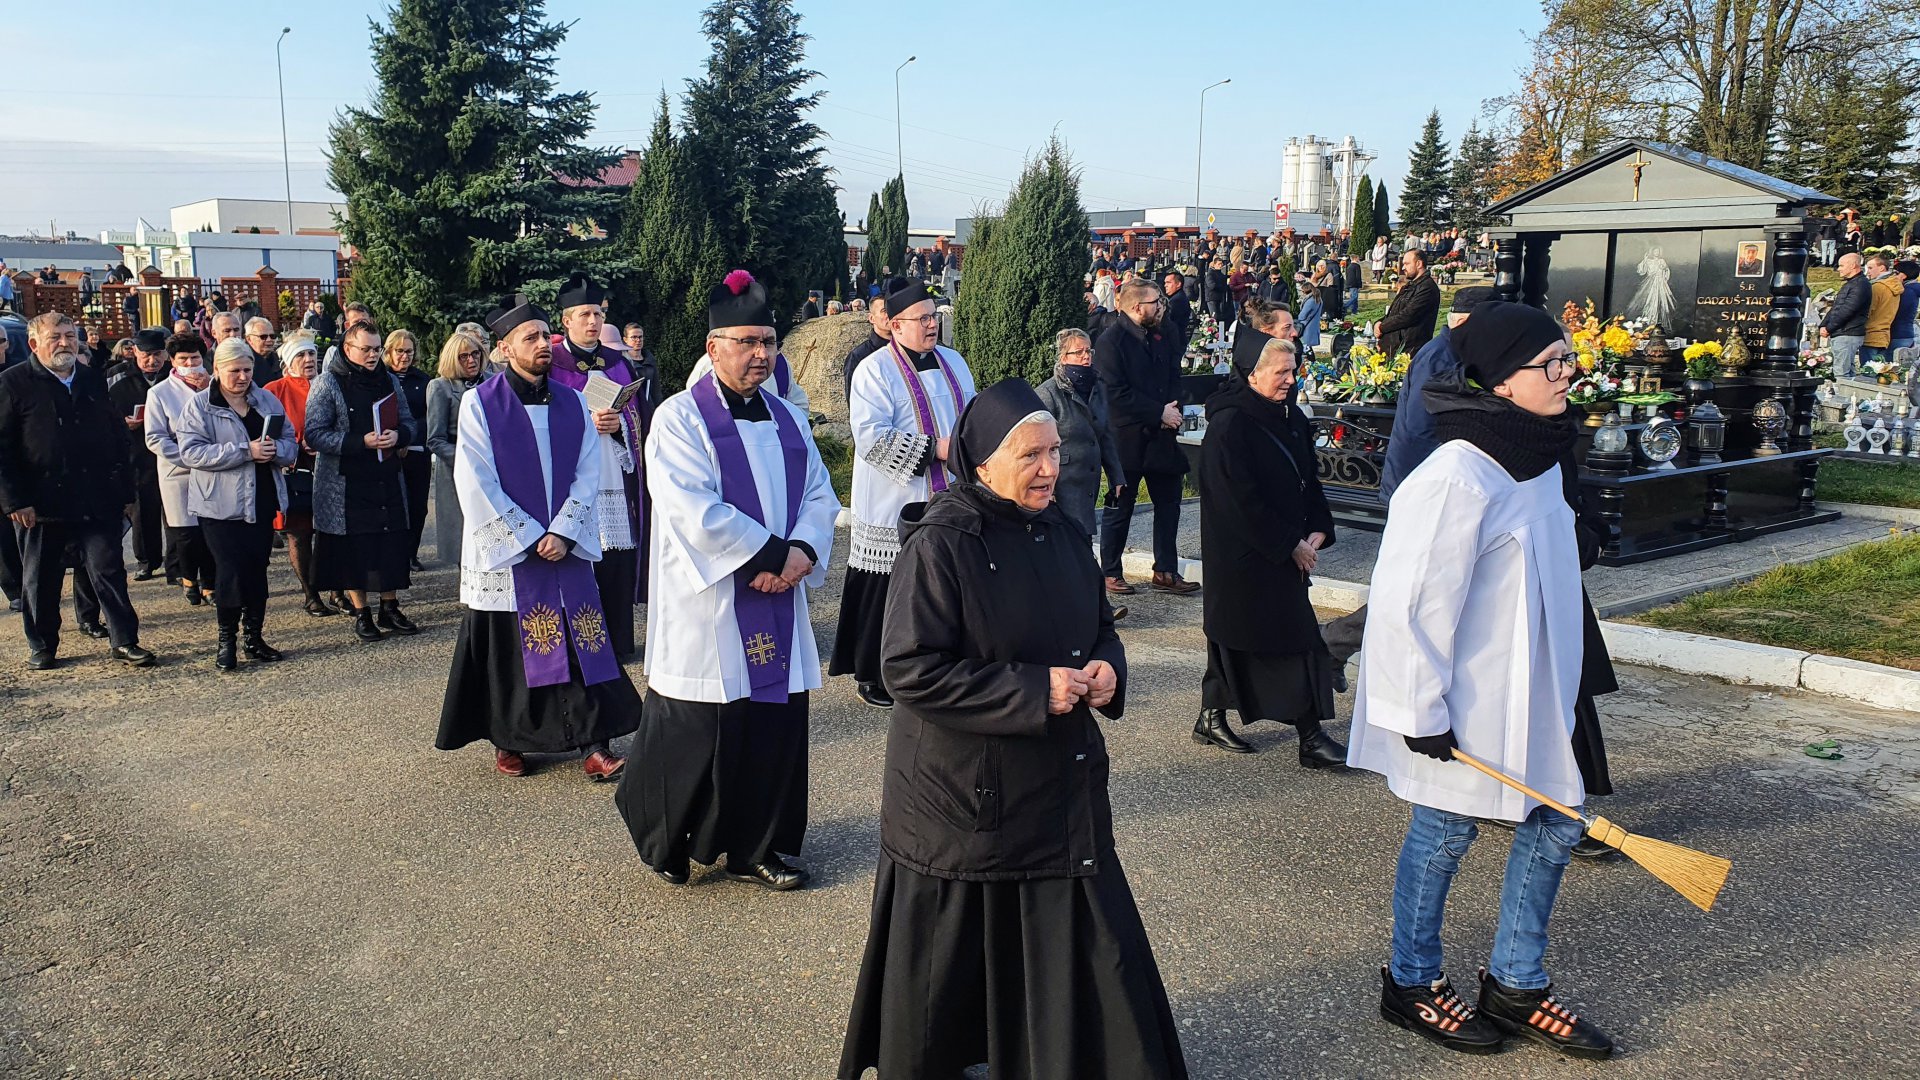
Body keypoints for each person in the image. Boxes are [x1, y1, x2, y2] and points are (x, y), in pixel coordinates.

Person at [837, 378, 1186, 1080]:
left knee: (1088, 936)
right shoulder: (942, 544)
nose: (1051, 468)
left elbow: (1097, 627)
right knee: (954, 969)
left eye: (1055, 451)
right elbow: (908, 668)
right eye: (1032, 455)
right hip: (962, 799)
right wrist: (1033, 690)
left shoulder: (1064, 530)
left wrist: (1108, 670)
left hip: (1057, 784)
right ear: (984, 463)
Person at [1347, 301, 1614, 1060]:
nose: (1568, 374)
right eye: (1550, 363)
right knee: (1446, 828)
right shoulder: (1457, 474)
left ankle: (1515, 984)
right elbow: (1410, 601)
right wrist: (1418, 710)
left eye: (1569, 358)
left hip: (1538, 686)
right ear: (1500, 382)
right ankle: (1411, 981)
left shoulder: (1538, 451)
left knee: (1556, 820)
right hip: (1466, 698)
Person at [616, 271, 840, 888]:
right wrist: (770, 557)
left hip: (779, 592)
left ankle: (756, 846)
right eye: (747, 342)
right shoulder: (679, 419)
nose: (761, 354)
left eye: (769, 341)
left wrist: (801, 553)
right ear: (713, 347)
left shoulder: (789, 419)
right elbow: (692, 508)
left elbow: (820, 493)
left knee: (770, 726)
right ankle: (666, 836)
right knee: (695, 729)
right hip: (707, 603)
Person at [434, 293, 639, 782]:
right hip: (511, 554)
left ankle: (594, 744)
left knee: (580, 640)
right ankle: (510, 739)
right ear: (504, 349)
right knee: (510, 647)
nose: (543, 344)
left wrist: (564, 531)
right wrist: (527, 537)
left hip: (564, 546)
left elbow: (589, 471)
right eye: (530, 337)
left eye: (546, 335)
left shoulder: (573, 401)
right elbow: (475, 479)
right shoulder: (480, 404)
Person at [1194, 336, 1344, 763]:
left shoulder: (1290, 416)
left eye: (1293, 371)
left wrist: (1318, 527)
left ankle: (1216, 717)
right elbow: (1237, 501)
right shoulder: (1229, 426)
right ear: (1252, 375)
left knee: (1287, 639)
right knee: (1269, 642)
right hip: (1245, 560)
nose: (1291, 380)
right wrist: (1288, 545)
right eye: (1281, 372)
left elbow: (1307, 478)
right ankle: (1310, 736)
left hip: (1282, 554)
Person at [833, 278, 977, 709]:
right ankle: (873, 674)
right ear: (895, 326)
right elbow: (871, 436)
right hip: (893, 494)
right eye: (922, 319)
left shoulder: (954, 361)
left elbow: (971, 414)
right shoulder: (874, 370)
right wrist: (937, 449)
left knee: (943, 584)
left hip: (950, 492)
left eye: (934, 316)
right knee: (888, 588)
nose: (932, 325)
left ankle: (940, 666)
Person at [0, 313, 156, 670]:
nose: (64, 343)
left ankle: (124, 640)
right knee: (41, 579)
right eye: (55, 337)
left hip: (96, 498)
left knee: (108, 570)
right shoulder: (13, 383)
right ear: (34, 343)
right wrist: (15, 500)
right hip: (41, 504)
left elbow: (116, 436)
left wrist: (125, 491)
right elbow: (2, 450)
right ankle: (43, 645)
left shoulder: (91, 379)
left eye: (70, 336)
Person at [547, 273, 658, 660]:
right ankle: (580, 646)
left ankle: (620, 642)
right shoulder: (552, 364)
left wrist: (620, 426)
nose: (593, 321)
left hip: (613, 471)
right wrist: (585, 422)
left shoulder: (618, 363)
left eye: (597, 313)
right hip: (574, 479)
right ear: (567, 321)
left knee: (616, 559)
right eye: (584, 314)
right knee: (579, 561)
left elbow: (639, 416)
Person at [176, 339, 297, 670]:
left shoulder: (266, 399)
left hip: (261, 498)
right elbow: (191, 452)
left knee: (256, 568)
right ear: (217, 369)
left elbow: (289, 440)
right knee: (230, 570)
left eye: (247, 370)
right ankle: (226, 640)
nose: (243, 377)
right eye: (235, 371)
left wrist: (277, 451)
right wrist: (245, 451)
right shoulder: (200, 406)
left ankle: (254, 638)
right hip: (219, 504)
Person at [305, 319, 420, 642]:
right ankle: (362, 612)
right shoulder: (328, 382)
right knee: (354, 547)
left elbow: (409, 421)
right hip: (346, 482)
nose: (373, 355)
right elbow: (314, 433)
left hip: (386, 476)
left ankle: (389, 606)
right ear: (347, 348)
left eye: (377, 349)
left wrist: (399, 435)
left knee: (390, 543)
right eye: (366, 349)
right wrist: (360, 442)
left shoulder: (388, 379)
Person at [1095, 280, 1199, 598]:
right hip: (1127, 439)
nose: (1161, 306)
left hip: (1162, 436)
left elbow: (1173, 375)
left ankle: (1165, 570)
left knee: (1169, 503)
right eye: (1156, 302)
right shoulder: (1111, 341)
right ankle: (1110, 571)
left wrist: (1174, 410)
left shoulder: (1163, 332)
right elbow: (1115, 394)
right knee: (1120, 506)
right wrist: (1158, 412)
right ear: (1137, 307)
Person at [1034, 327, 1128, 618]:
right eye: (1079, 352)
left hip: (1088, 480)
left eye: (1089, 351)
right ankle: (1096, 609)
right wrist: (1044, 486)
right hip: (1062, 482)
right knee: (1077, 547)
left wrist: (1117, 476)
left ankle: (1084, 608)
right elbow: (1037, 443)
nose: (1086, 357)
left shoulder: (1096, 387)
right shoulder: (1048, 393)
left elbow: (1104, 434)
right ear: (1063, 357)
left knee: (1078, 546)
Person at [147, 332, 218, 604]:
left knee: (210, 529)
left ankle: (210, 582)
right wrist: (188, 457)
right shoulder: (160, 393)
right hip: (178, 471)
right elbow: (155, 437)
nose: (190, 364)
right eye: (183, 359)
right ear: (172, 361)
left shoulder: (215, 386)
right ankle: (189, 578)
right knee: (186, 533)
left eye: (195, 358)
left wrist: (210, 387)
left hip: (213, 468)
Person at [263, 335, 331, 617]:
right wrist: (298, 443)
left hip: (330, 468)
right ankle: (310, 594)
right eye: (301, 355)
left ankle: (338, 590)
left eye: (312, 354)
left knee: (332, 533)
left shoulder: (329, 384)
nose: (308, 360)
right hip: (295, 470)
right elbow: (267, 432)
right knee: (300, 534)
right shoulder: (274, 391)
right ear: (289, 362)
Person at [108, 329, 171, 579]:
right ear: (134, 351)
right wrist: (122, 423)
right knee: (143, 511)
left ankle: (177, 565)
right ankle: (147, 560)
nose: (152, 360)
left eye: (157, 354)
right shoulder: (116, 376)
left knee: (175, 511)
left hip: (169, 451)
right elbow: (103, 412)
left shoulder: (173, 374)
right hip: (135, 453)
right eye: (146, 355)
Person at [426, 329, 488, 567]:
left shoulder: (493, 382)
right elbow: (435, 439)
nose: (472, 360)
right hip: (458, 469)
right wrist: (468, 460)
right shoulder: (440, 387)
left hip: (494, 466)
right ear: (453, 358)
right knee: (464, 540)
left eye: (475, 354)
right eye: (464, 356)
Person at [381, 330, 433, 571]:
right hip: (388, 449)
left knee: (417, 505)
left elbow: (428, 417)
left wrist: (408, 437)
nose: (405, 356)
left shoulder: (423, 380)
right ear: (389, 352)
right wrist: (396, 439)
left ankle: (411, 554)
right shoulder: (381, 378)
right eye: (400, 351)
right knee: (391, 504)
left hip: (416, 450)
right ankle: (392, 553)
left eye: (409, 351)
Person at [841, 276, 905, 403]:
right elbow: (854, 402)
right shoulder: (858, 356)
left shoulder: (906, 348)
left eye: (892, 309)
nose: (890, 315)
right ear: (871, 318)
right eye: (884, 311)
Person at [1375, 249, 1441, 359]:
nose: (1403, 268)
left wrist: (1382, 327)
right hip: (1394, 349)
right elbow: (1394, 312)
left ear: (1418, 264)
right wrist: (1378, 322)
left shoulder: (1427, 288)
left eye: (1406, 264)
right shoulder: (1410, 286)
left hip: (1408, 351)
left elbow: (1408, 316)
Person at [1819, 252, 1869, 378]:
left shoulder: (1860, 284)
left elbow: (1847, 310)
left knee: (1841, 373)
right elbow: (1836, 307)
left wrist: (1829, 328)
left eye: (1841, 265)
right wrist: (1823, 324)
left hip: (1848, 332)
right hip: (1843, 331)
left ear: (1853, 266)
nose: (1838, 269)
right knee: (1846, 370)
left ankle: (1841, 391)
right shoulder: (1851, 284)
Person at [1862, 254, 1902, 366]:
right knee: (1880, 371)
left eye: (1870, 268)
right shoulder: (1894, 285)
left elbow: (1868, 310)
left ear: (1881, 268)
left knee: (1868, 372)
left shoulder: (1877, 287)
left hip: (1871, 334)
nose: (1868, 272)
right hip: (1884, 334)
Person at [243, 317, 284, 386]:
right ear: (249, 339)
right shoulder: (243, 362)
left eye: (272, 336)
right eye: (263, 337)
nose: (269, 340)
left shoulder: (281, 360)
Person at [1891, 259, 1920, 353]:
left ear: (1904, 275)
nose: (1893, 276)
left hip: (1897, 334)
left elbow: (1897, 312)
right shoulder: (1913, 289)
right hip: (1906, 333)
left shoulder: (1906, 291)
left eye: (1896, 273)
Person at [1162, 270, 1193, 342]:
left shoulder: (1177, 300)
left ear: (1178, 284)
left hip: (1174, 340)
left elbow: (1169, 321)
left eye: (1168, 282)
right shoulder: (1177, 297)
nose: (1165, 285)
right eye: (1165, 283)